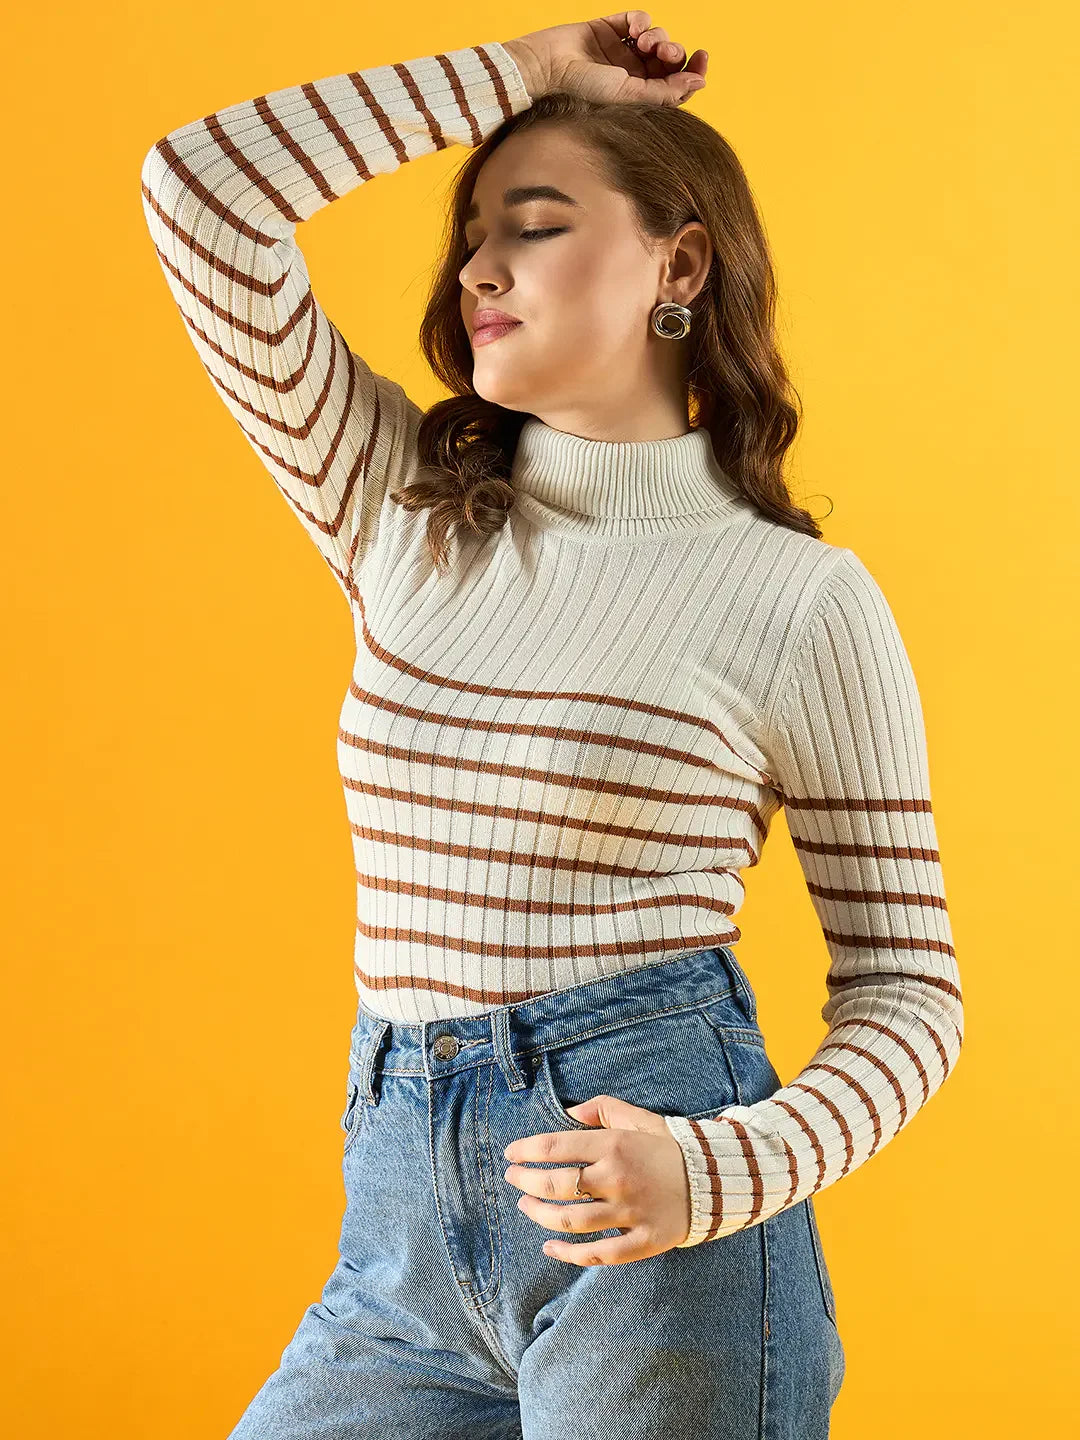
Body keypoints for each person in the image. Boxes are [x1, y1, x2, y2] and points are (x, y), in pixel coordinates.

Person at [140, 10, 963, 1436]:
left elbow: (913, 993)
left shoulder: (801, 602)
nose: (476, 268)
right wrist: (524, 76)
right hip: (397, 1236)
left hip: (660, 1231)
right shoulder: (396, 508)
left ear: (681, 265)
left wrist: (722, 1170)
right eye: (469, 237)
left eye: (531, 224)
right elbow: (201, 192)